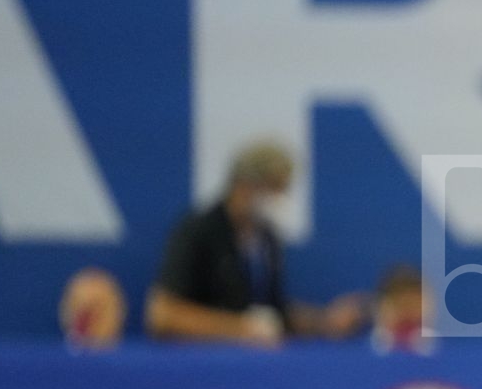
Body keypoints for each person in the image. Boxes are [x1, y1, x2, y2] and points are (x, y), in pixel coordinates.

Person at [145, 141, 367, 346]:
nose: (281, 200)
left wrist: (324, 321)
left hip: (252, 361)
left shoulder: (267, 239)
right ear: (244, 186)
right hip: (201, 360)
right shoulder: (198, 231)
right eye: (275, 189)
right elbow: (163, 316)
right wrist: (239, 329)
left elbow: (272, 315)